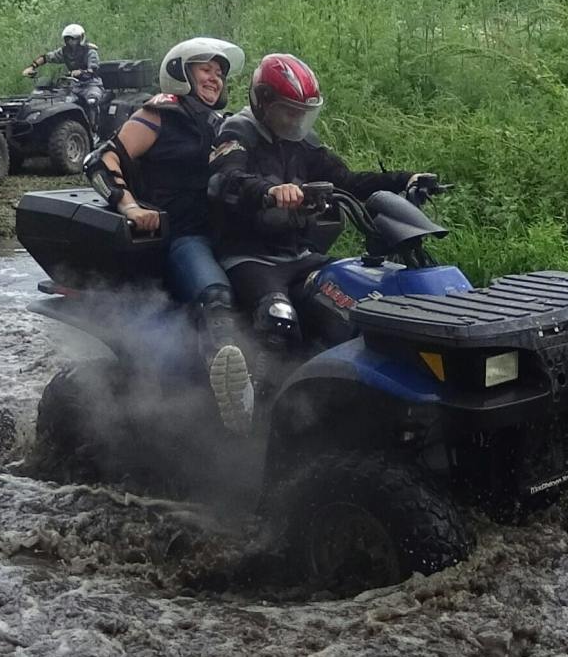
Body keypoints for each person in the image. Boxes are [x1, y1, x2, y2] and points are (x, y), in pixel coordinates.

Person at [207, 53, 434, 432]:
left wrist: (405, 180)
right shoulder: (237, 134)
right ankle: (254, 414)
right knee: (278, 318)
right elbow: (225, 181)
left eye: (302, 112)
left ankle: (336, 401)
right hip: (250, 255)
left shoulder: (302, 142)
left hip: (300, 253)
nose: (296, 120)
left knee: (352, 304)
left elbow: (347, 179)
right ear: (263, 102)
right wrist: (270, 190)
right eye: (287, 110)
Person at [83, 37, 249, 398]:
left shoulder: (223, 124)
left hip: (224, 234)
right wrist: (129, 206)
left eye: (219, 73)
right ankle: (229, 388)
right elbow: (102, 159)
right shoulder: (157, 117)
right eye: (205, 69)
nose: (215, 78)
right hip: (184, 235)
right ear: (179, 72)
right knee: (216, 295)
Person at [24, 24, 106, 128]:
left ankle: (95, 128)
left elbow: (93, 69)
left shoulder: (90, 51)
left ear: (80, 38)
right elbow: (47, 57)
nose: (71, 42)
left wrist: (81, 72)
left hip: (91, 84)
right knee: (60, 102)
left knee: (92, 101)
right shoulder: (64, 52)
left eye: (73, 39)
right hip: (73, 86)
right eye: (68, 39)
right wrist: (32, 67)